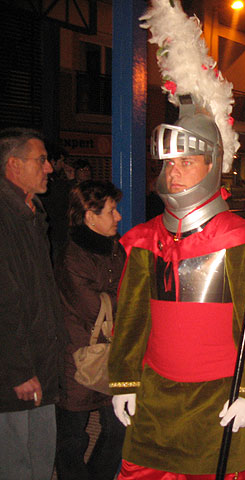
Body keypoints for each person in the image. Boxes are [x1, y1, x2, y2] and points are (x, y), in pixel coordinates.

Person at [108, 101, 245, 479]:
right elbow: (132, 319)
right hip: (156, 396)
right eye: (169, 163)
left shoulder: (242, 241)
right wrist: (124, 379)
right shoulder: (145, 239)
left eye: (186, 162)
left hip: (218, 397)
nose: (173, 172)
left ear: (212, 165)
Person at [0, 127, 67, 480]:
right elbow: (5, 301)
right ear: (13, 165)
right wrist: (18, 370)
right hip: (16, 372)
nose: (49, 168)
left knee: (41, 457)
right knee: (16, 462)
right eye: (40, 160)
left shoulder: (31, 211)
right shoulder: (5, 216)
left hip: (38, 361)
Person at [54, 180, 126, 480]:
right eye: (111, 211)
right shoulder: (71, 255)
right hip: (78, 358)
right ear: (90, 216)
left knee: (118, 429)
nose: (118, 216)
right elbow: (91, 307)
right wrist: (121, 299)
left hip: (110, 354)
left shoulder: (114, 247)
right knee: (72, 436)